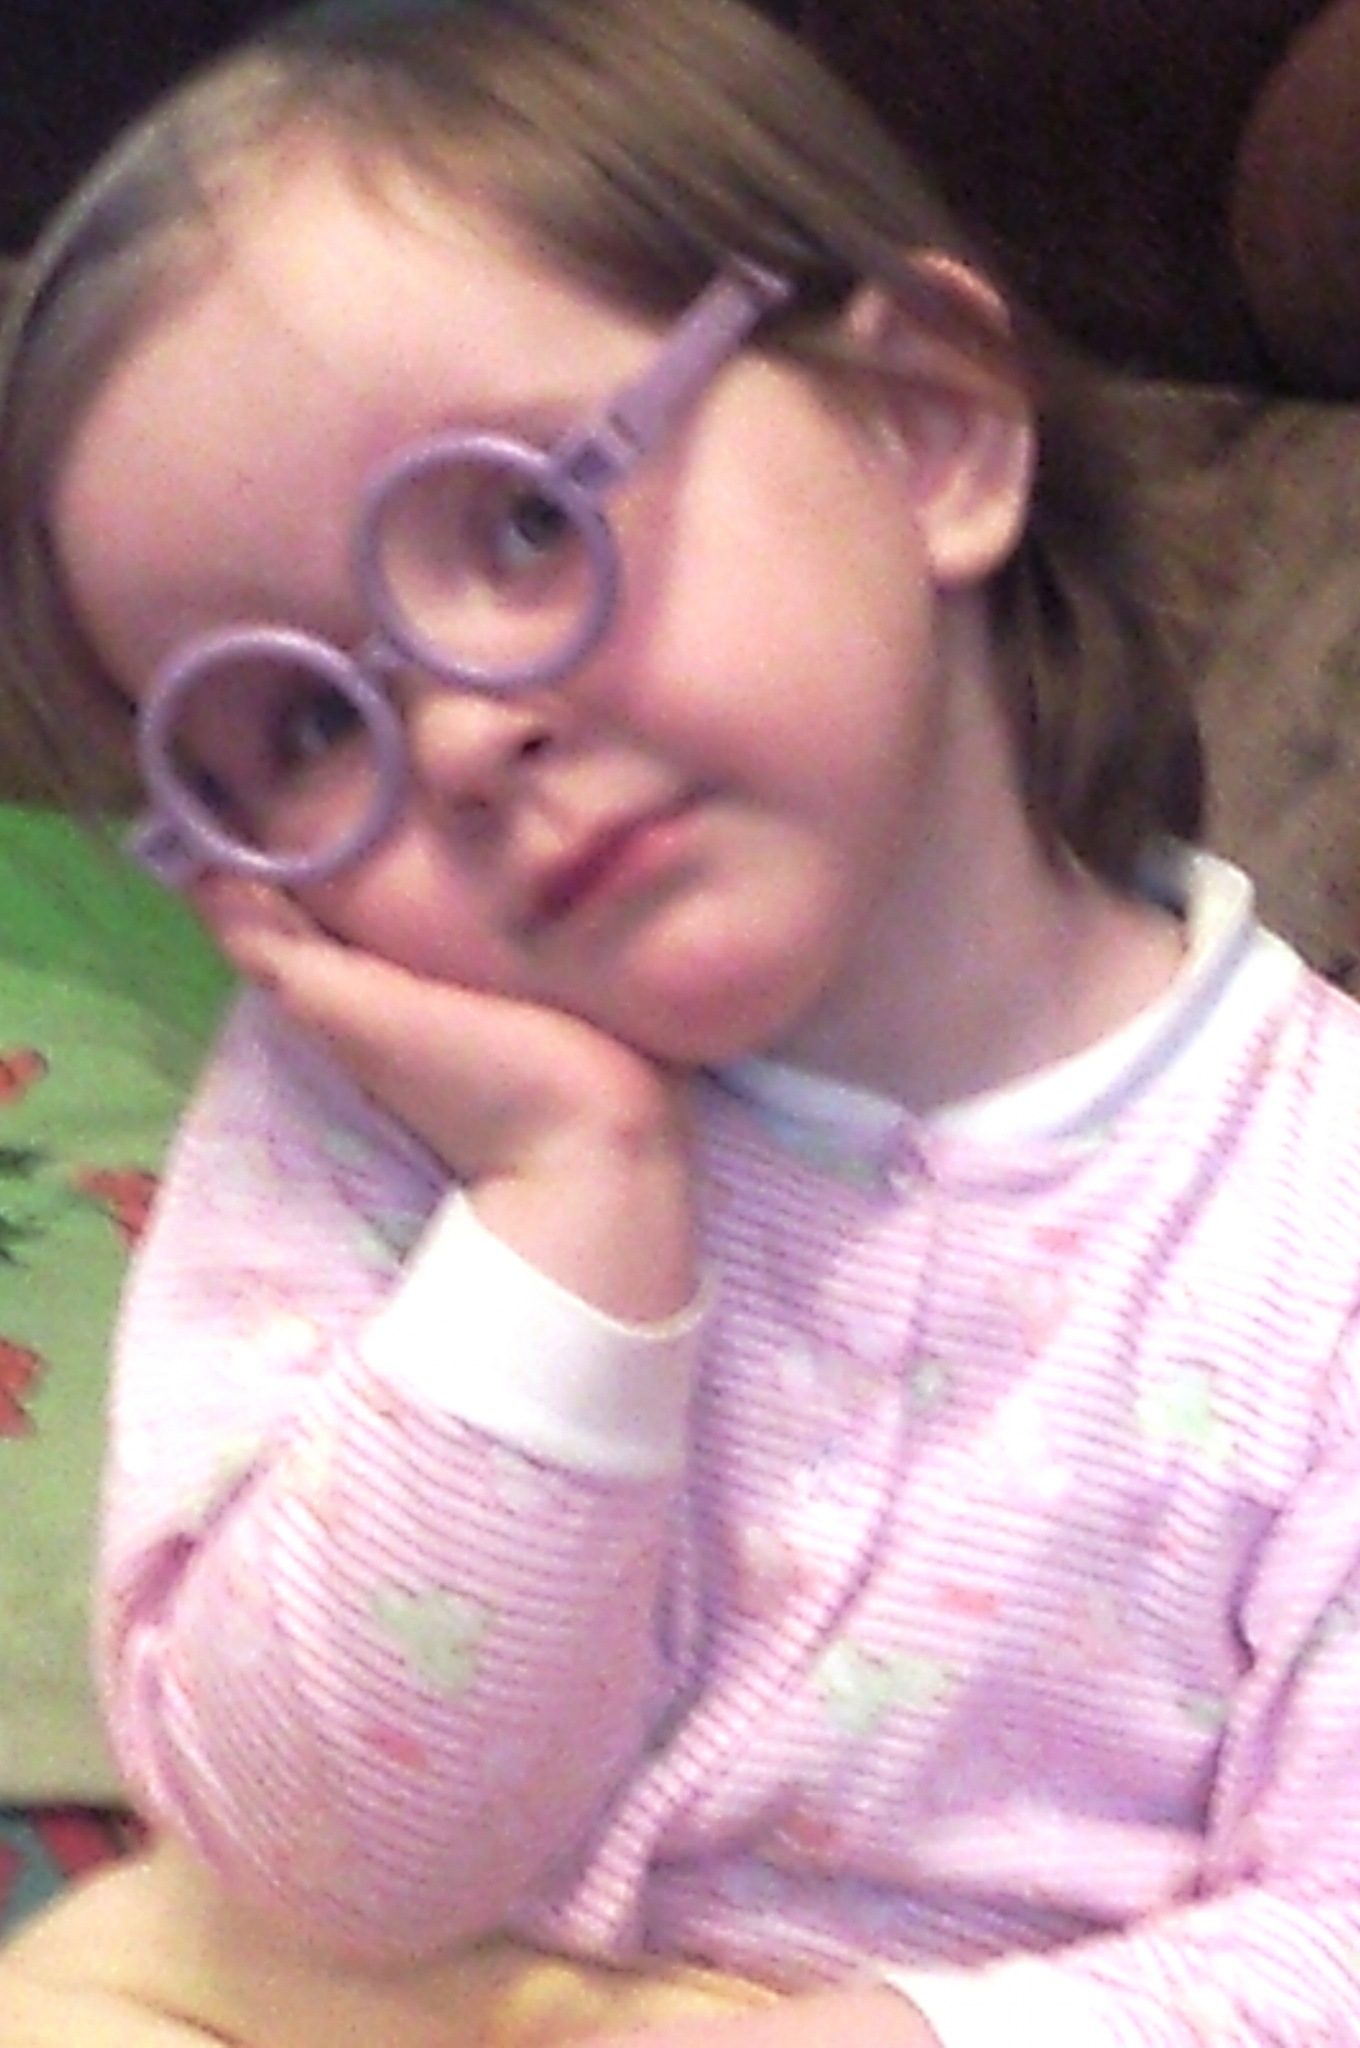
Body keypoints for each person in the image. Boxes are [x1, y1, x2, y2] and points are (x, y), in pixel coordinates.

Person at [2, 0, 1360, 2043]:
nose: (458, 738)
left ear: (921, 427)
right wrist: (562, 1217)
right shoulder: (371, 1113)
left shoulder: (1314, 1218)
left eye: (525, 521)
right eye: (297, 726)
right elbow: (315, 1857)